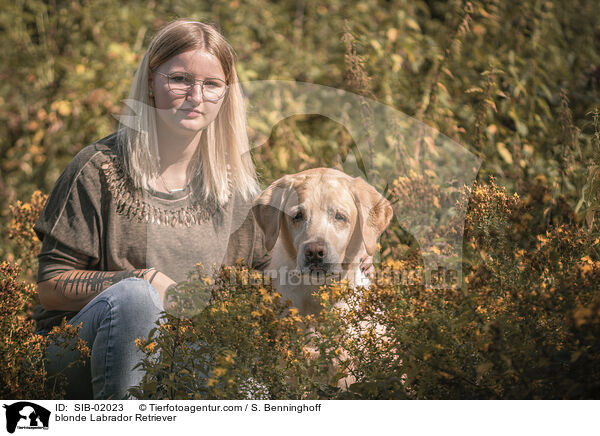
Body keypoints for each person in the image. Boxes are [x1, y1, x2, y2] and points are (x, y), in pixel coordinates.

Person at [32, 19, 270, 399]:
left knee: (251, 380)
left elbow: (269, 280)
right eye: (179, 79)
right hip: (74, 353)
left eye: (212, 85)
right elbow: (49, 288)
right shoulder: (97, 168)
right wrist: (143, 280)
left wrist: (351, 263)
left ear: (226, 94)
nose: (196, 95)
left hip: (180, 355)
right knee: (136, 299)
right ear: (150, 84)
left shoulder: (236, 189)